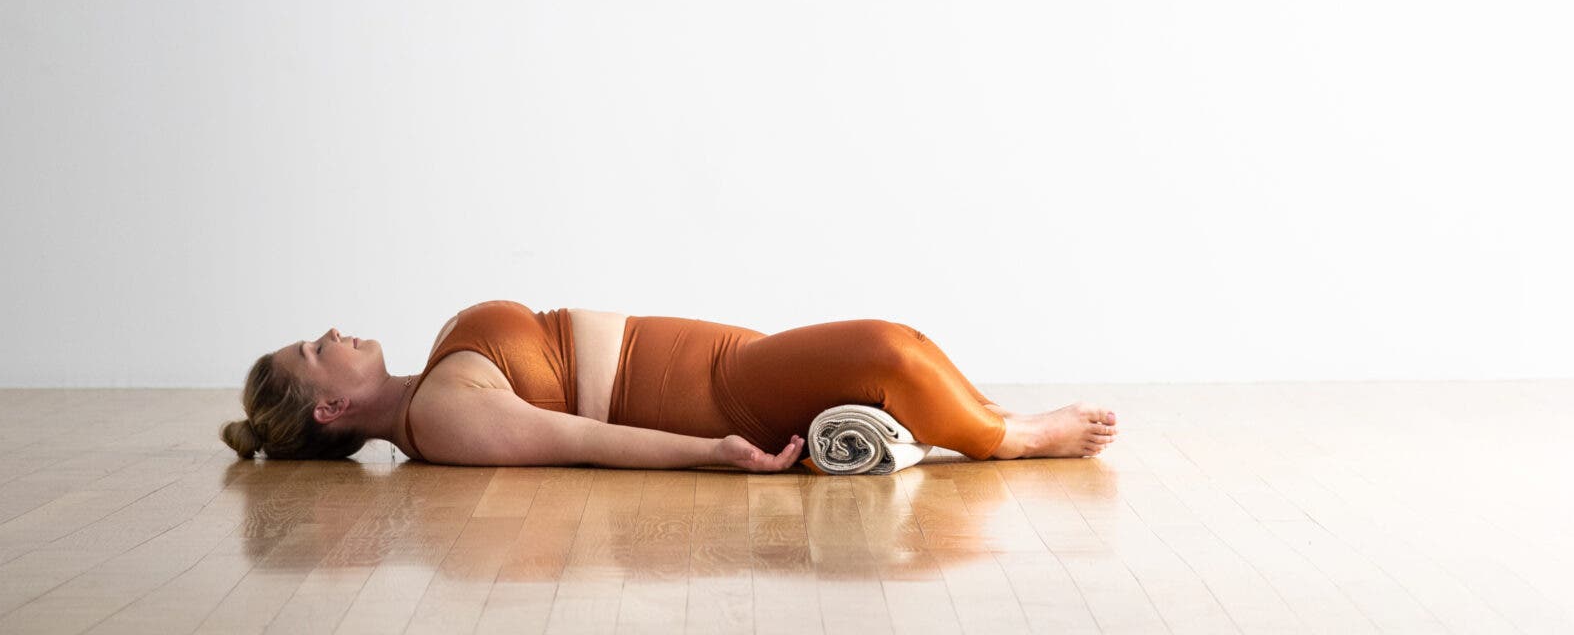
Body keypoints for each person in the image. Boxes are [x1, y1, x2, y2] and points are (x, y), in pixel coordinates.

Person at [218, 300, 1120, 470]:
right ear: (330, 406)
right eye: (314, 348)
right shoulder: (443, 417)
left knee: (889, 355)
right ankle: (1016, 439)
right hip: (716, 396)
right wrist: (719, 455)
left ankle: (975, 419)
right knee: (890, 346)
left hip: (723, 358)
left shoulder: (432, 377)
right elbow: (581, 443)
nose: (333, 331)